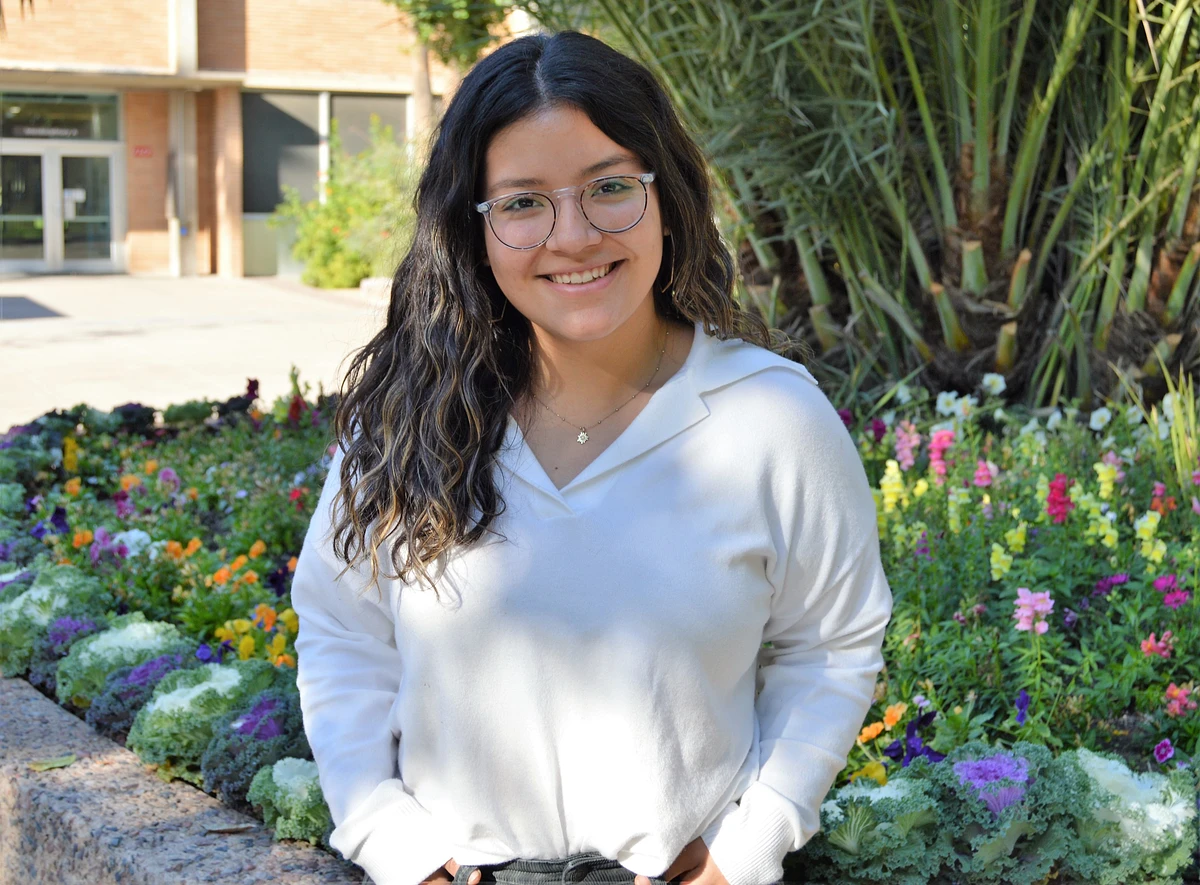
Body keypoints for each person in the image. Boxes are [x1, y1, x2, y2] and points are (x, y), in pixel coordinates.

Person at [290, 28, 893, 885]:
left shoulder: (770, 416)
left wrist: (748, 847)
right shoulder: (403, 420)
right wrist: (392, 842)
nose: (572, 235)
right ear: (474, 225)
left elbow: (830, 645)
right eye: (524, 202)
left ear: (668, 197)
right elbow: (343, 636)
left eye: (610, 187)